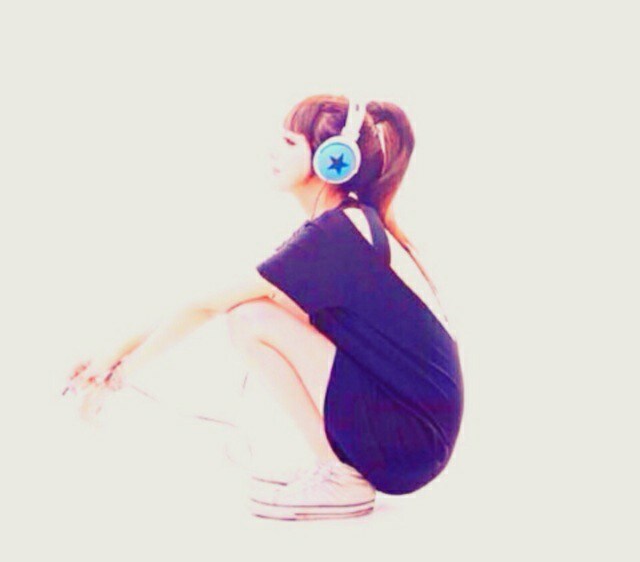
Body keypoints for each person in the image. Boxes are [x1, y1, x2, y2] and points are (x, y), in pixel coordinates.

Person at [63, 94, 464, 521]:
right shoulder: (344, 226)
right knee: (251, 311)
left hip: (411, 443)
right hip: (413, 439)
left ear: (333, 161)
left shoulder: (336, 235)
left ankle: (338, 475)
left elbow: (205, 305)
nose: (273, 151)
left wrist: (118, 373)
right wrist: (112, 356)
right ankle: (335, 467)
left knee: (251, 319)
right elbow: (208, 298)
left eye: (290, 143)